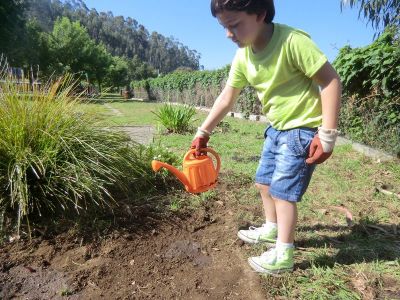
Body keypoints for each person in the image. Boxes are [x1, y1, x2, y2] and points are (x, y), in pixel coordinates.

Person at [191, 0, 341, 274]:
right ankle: (272, 228)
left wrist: (327, 134)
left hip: (302, 130)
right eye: (224, 27)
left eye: (234, 25)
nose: (228, 34)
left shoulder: (292, 42)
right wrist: (204, 131)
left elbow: (330, 80)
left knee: (283, 193)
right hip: (276, 129)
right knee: (263, 183)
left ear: (260, 14)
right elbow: (227, 97)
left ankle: (284, 253)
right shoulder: (243, 56)